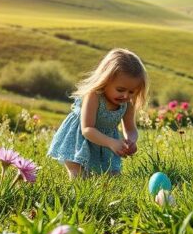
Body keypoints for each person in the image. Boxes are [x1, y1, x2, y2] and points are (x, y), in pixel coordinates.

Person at [47, 49, 148, 178]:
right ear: (105, 81)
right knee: (80, 176)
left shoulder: (128, 102)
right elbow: (87, 129)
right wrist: (111, 142)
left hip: (105, 142)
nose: (125, 95)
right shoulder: (94, 96)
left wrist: (131, 141)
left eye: (132, 92)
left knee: (112, 177)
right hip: (79, 139)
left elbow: (130, 128)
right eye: (120, 90)